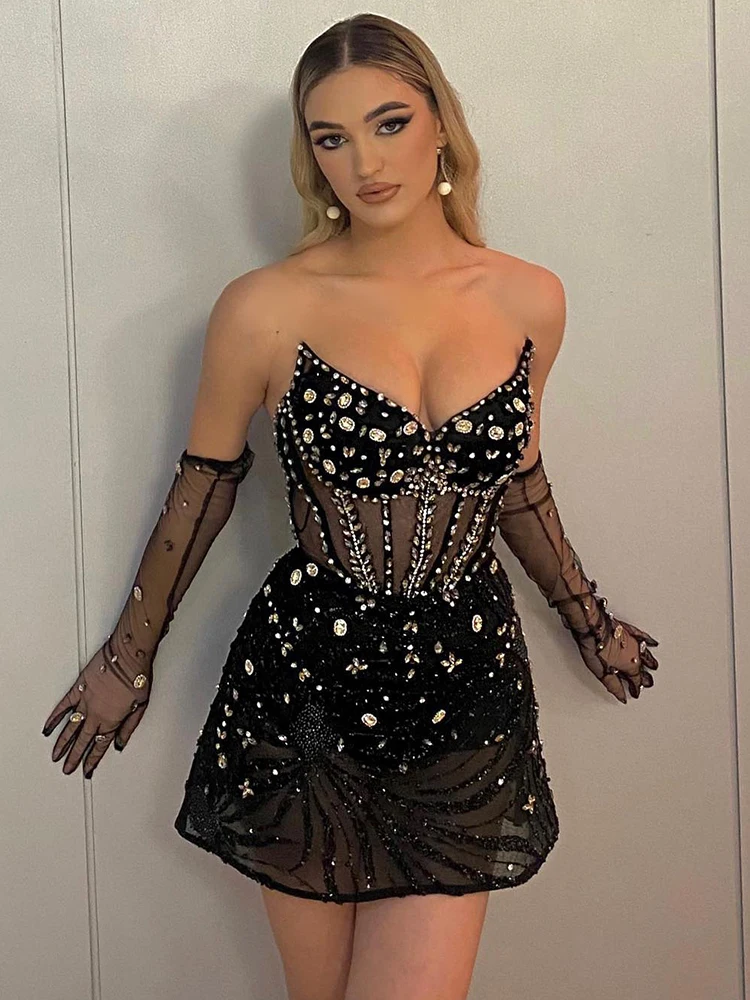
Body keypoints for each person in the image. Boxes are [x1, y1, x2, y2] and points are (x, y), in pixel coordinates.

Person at [41, 13, 659, 1000]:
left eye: (389, 123)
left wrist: (587, 621)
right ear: (311, 155)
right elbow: (202, 489)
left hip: (466, 685)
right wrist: (126, 659)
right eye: (331, 137)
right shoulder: (263, 308)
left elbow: (515, 481)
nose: (365, 162)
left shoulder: (530, 299)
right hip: (307, 694)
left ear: (440, 125)